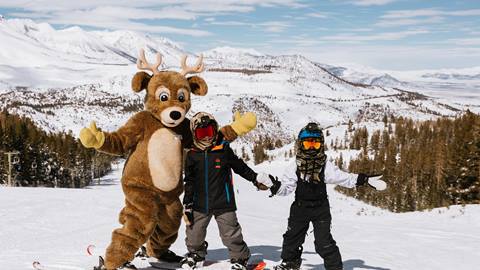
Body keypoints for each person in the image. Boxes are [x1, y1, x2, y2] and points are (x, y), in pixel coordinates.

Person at [256, 122, 386, 270]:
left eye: (315, 145)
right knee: (292, 238)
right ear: (301, 144)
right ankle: (290, 264)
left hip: (320, 210)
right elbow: (286, 189)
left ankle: (334, 268)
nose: (311, 147)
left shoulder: (325, 165)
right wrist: (273, 185)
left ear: (321, 145)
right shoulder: (295, 166)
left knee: (323, 243)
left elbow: (343, 178)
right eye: (308, 144)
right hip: (300, 208)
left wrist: (362, 179)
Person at [181, 112, 271, 270]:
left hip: (224, 201)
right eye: (202, 134)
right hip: (199, 203)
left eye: (209, 132)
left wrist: (255, 178)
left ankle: (240, 258)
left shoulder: (223, 150)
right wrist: (187, 203)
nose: (207, 137)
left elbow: (240, 167)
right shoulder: (192, 155)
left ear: (215, 130)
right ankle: (196, 254)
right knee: (194, 234)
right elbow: (189, 181)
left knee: (231, 234)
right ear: (195, 134)